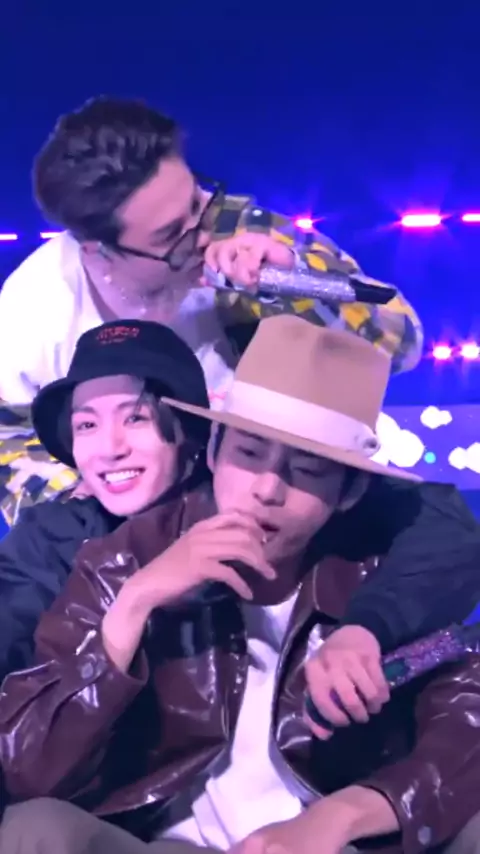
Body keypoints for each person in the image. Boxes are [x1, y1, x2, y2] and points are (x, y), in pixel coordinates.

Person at [1, 316, 480, 854]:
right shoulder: (111, 556)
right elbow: (27, 765)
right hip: (172, 843)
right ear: (215, 452)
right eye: (249, 455)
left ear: (349, 492)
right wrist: (135, 602)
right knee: (35, 828)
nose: (268, 489)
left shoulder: (388, 566)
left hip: (330, 841)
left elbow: (466, 711)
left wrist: (348, 814)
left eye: (307, 470)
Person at [0, 95, 423, 524]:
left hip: (289, 509)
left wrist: (293, 283)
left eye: (196, 203)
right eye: (171, 235)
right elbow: (5, 437)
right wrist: (72, 500)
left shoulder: (247, 235)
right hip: (134, 534)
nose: (203, 236)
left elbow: (402, 344)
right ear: (98, 250)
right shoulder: (35, 308)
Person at [0, 318, 213, 681]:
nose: (109, 449)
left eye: (135, 418)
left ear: (186, 429)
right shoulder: (50, 538)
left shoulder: (238, 513)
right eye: (87, 425)